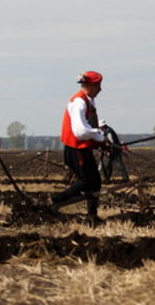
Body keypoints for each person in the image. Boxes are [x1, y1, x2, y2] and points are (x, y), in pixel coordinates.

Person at [50, 71, 106, 223]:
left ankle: (92, 215)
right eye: (98, 86)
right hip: (76, 149)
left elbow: (88, 128)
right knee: (87, 181)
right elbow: (81, 131)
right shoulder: (79, 102)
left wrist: (100, 141)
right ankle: (55, 200)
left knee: (95, 182)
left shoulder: (88, 101)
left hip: (82, 148)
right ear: (90, 86)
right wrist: (100, 137)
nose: (100, 89)